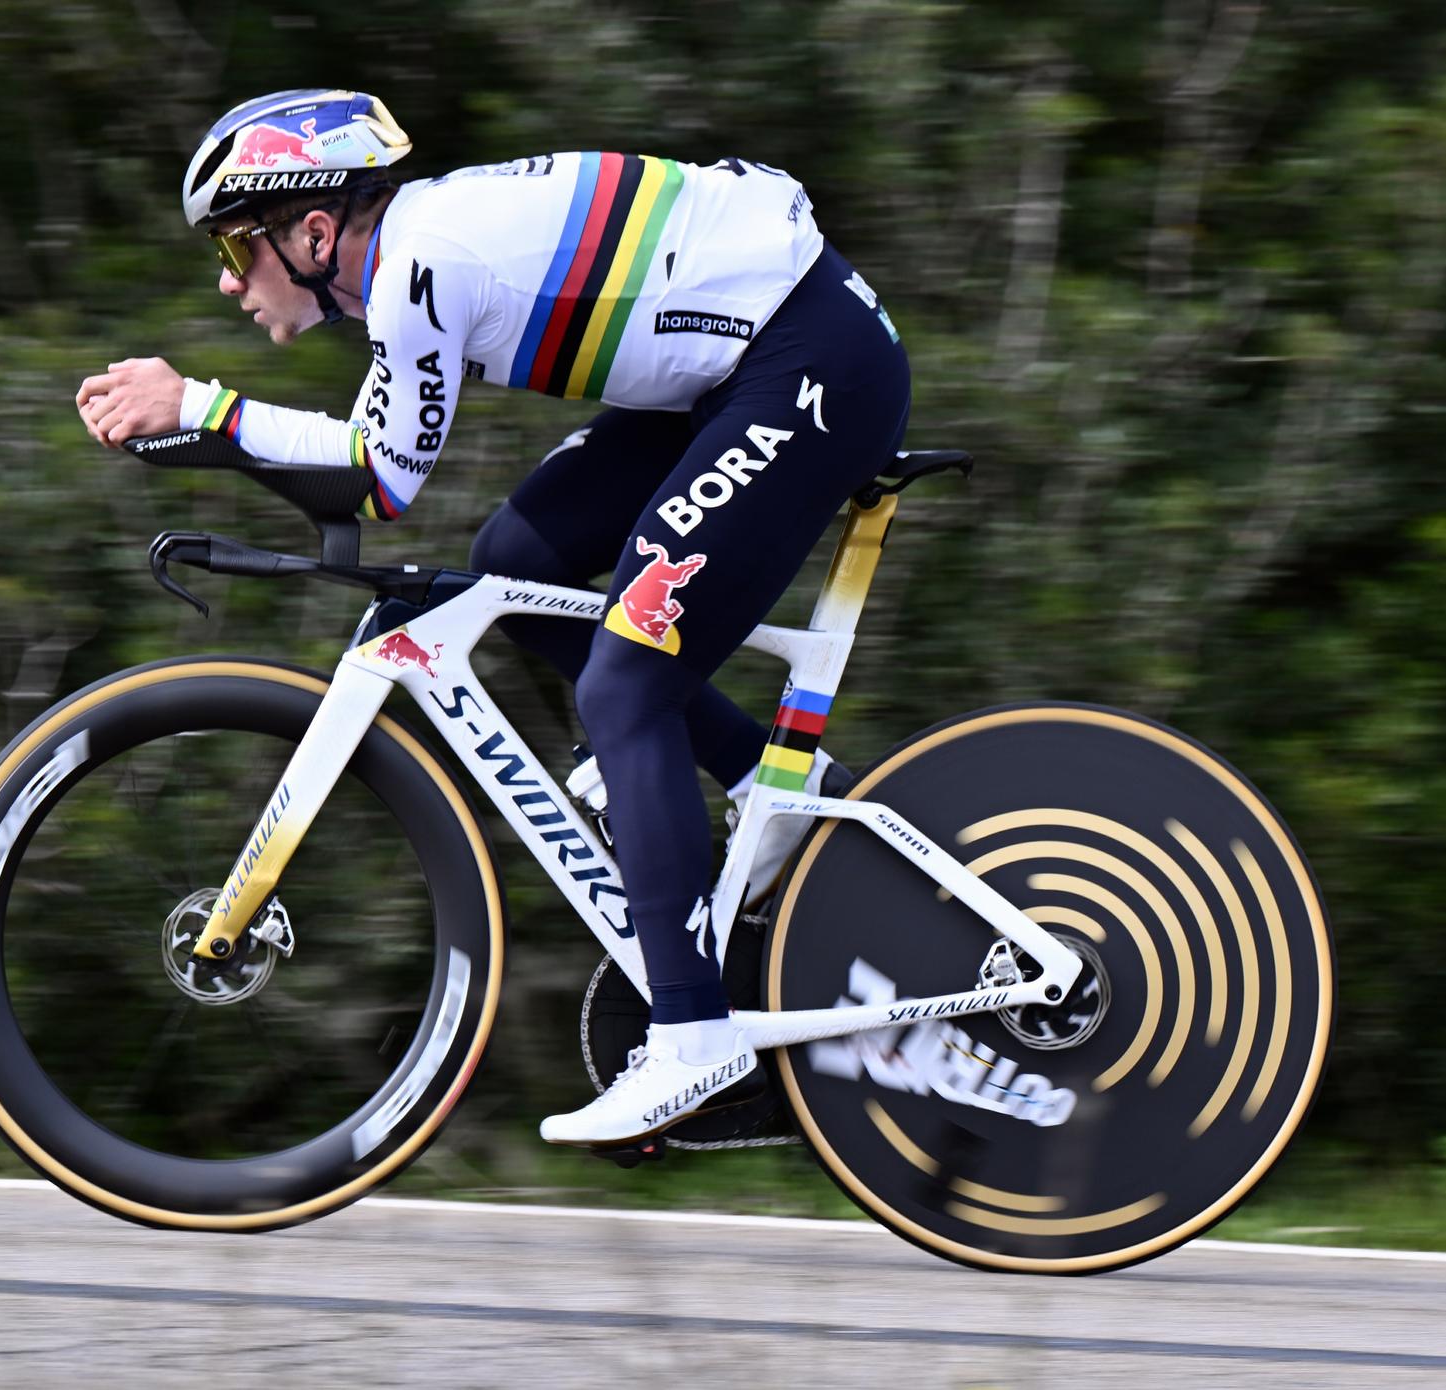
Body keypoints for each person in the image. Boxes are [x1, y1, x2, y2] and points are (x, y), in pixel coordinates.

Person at [76, 88, 912, 1148]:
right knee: (515, 563)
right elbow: (373, 467)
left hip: (806, 365)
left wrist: (201, 408)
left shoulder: (423, 270)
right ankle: (766, 786)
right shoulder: (418, 249)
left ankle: (696, 1036)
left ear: (316, 232)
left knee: (624, 687)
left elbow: (380, 481)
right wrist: (203, 423)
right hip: (745, 368)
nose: (229, 280)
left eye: (239, 252)